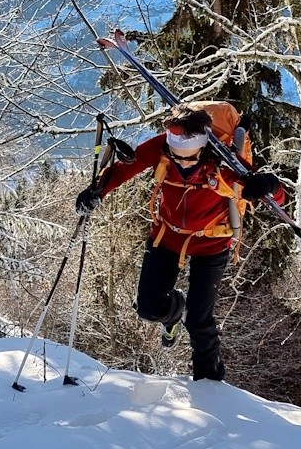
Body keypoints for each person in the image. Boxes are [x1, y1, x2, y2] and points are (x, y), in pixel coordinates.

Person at [75, 104, 284, 381]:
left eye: (190, 158)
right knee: (148, 307)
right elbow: (128, 166)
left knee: (199, 320)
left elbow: (277, 199)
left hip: (212, 243)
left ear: (202, 147)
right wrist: (97, 191)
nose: (183, 163)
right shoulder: (162, 147)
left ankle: (209, 385)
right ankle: (173, 313)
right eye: (177, 157)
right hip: (167, 235)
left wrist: (269, 186)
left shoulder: (222, 158)